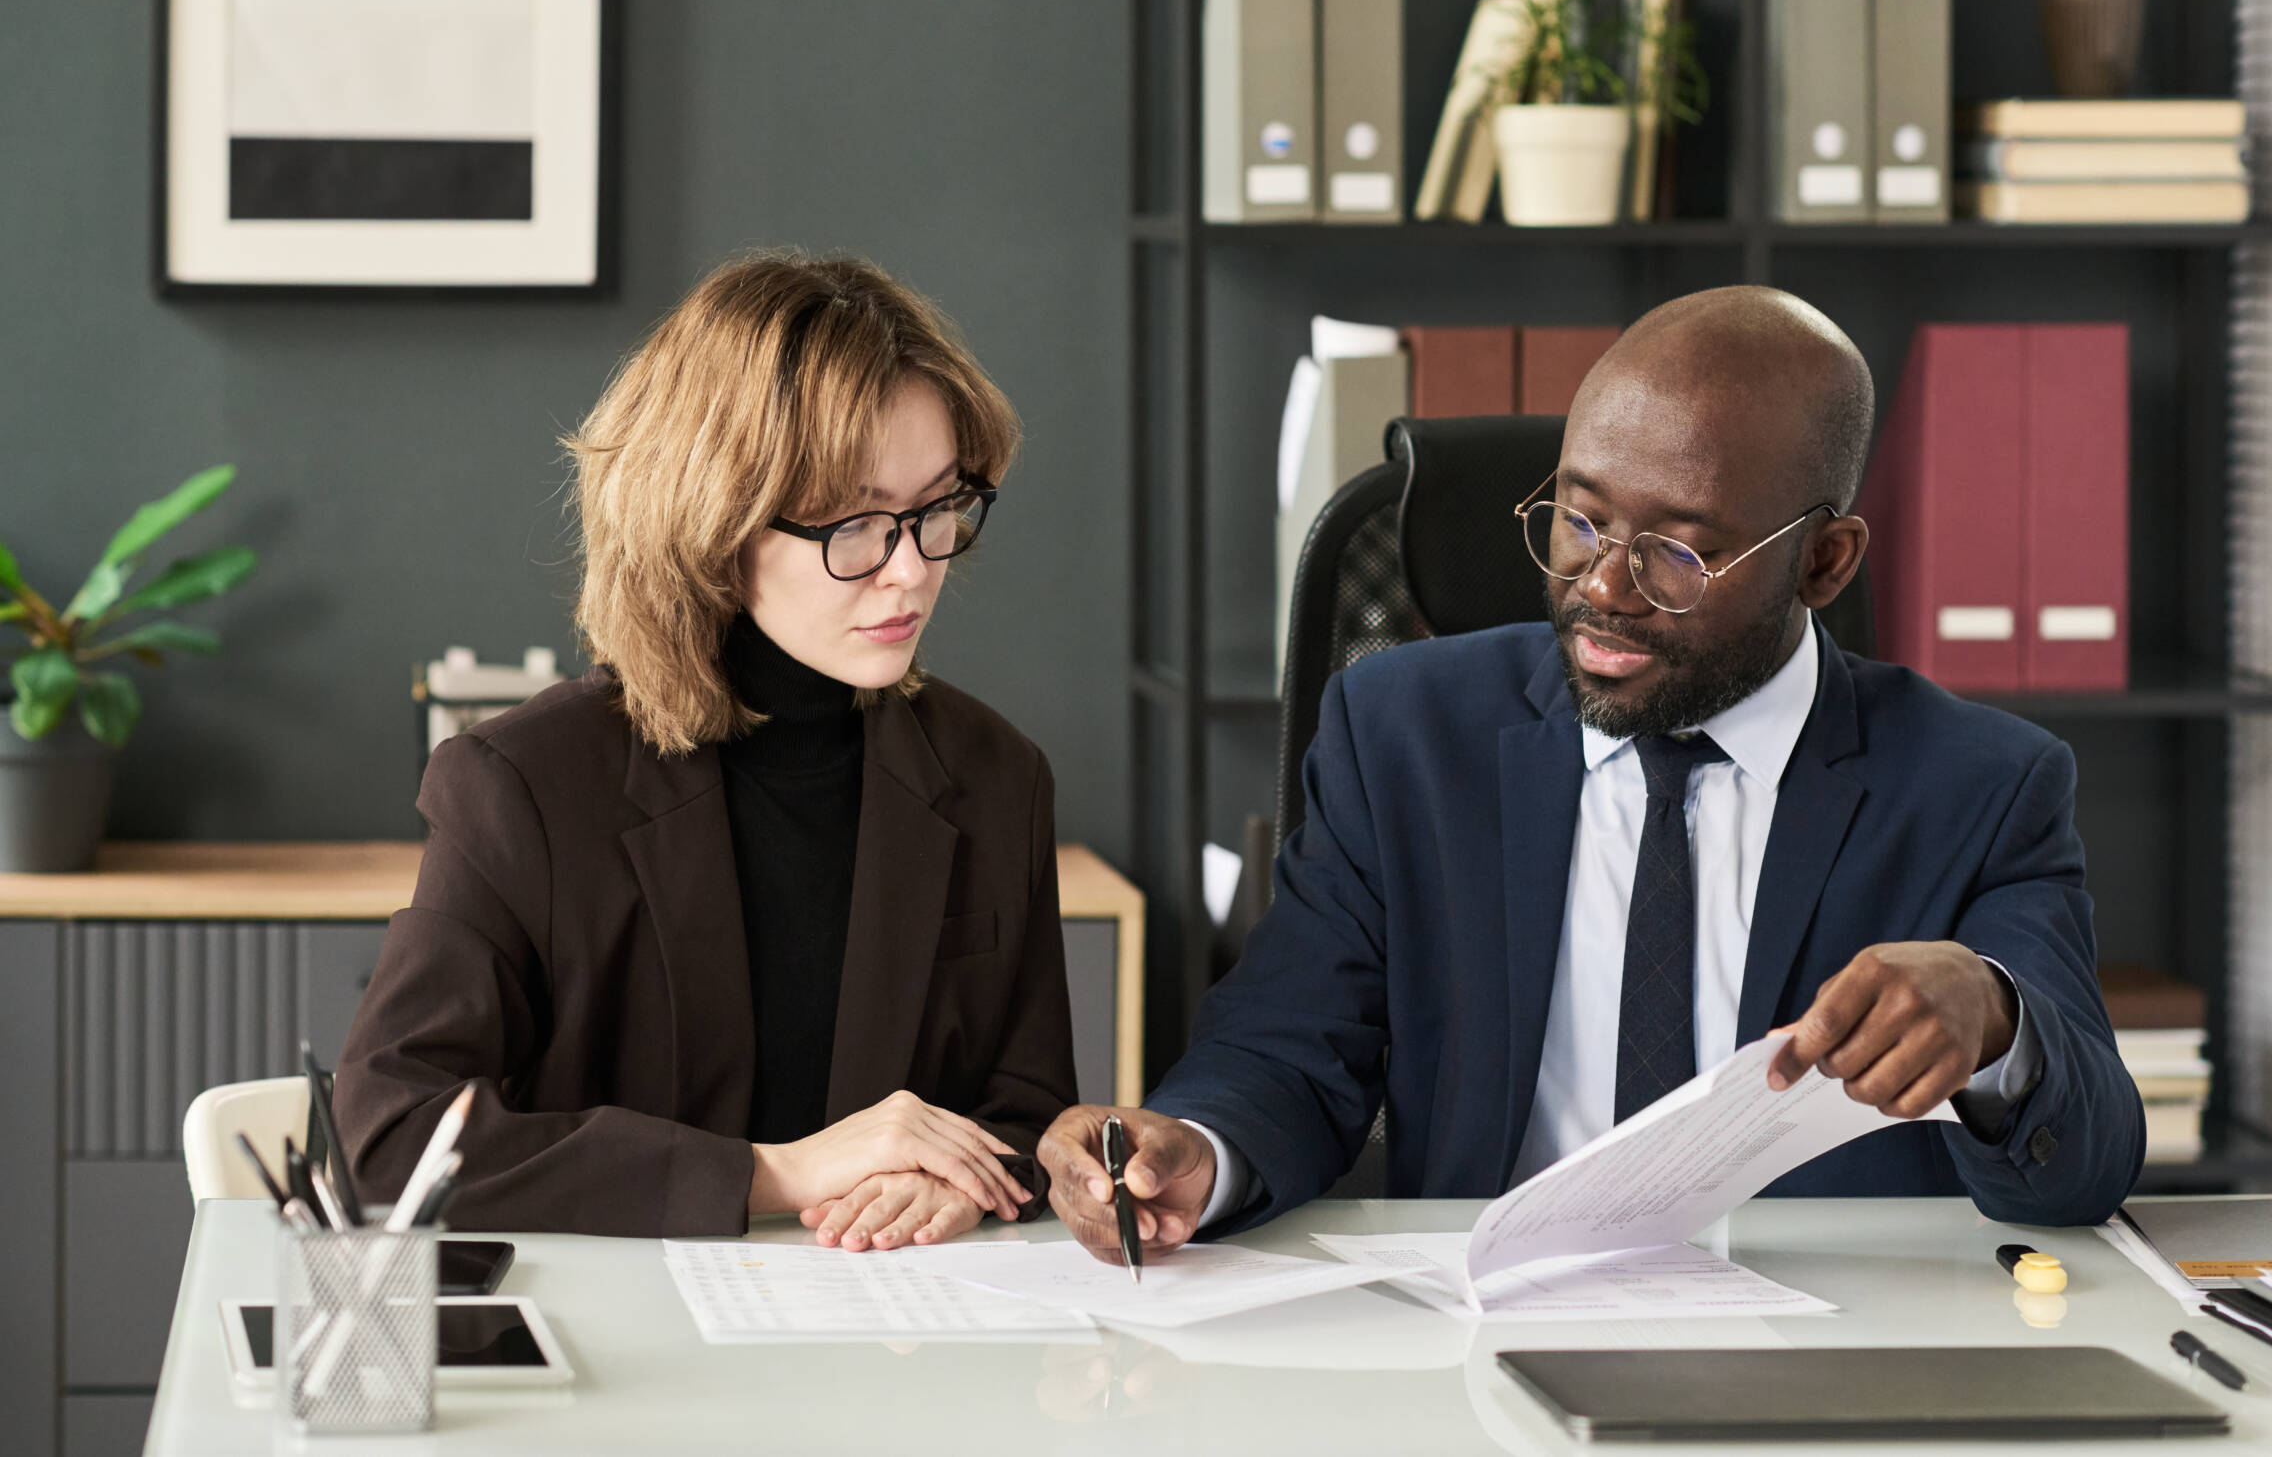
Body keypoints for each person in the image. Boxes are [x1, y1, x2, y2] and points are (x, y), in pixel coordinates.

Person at [1043, 286, 2144, 1261]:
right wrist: (1198, 1147)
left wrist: (1997, 1024)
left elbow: (2088, 1164)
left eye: (1681, 551)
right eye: (1579, 518)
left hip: (1820, 1356)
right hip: (1487, 1337)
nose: (1605, 587)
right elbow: (1287, 1047)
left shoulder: (1979, 786)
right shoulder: (1403, 734)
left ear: (1823, 561)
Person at [339, 253, 1073, 1248]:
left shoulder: (997, 778)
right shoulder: (525, 787)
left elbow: (1029, 1117)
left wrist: (972, 1182)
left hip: (894, 1318)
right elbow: (389, 1138)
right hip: (622, 1328)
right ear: (714, 523)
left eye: (937, 507)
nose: (909, 569)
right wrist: (775, 1172)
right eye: (857, 522)